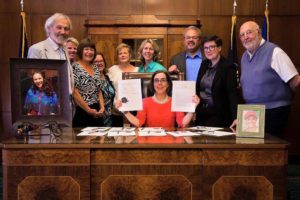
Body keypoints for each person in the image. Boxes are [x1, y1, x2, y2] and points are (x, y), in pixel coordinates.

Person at [231, 21, 300, 137]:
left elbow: (295, 80)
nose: (245, 37)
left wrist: (285, 99)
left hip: (274, 112)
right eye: (242, 35)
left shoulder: (275, 52)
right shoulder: (244, 57)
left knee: (270, 151)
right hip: (252, 111)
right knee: (252, 151)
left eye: (249, 33)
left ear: (258, 33)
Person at [116, 70, 200, 128]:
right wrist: (125, 111)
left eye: (163, 80)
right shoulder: (145, 102)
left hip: (170, 143)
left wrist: (192, 109)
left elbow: (182, 124)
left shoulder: (175, 101)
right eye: (156, 80)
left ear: (168, 84)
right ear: (152, 84)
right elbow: (138, 123)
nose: (159, 83)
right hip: (149, 143)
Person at [195, 35, 239, 127]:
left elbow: (232, 94)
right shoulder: (204, 64)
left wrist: (236, 117)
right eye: (206, 48)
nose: (208, 50)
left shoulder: (228, 67)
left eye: (212, 47)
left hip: (218, 115)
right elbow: (198, 88)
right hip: (201, 113)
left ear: (219, 48)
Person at [27, 13, 74, 94]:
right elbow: (33, 81)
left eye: (66, 29)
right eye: (59, 27)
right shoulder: (37, 49)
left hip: (67, 102)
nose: (63, 32)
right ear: (49, 29)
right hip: (48, 102)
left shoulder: (65, 49)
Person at [72, 38, 105, 127]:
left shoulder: (95, 68)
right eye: (86, 49)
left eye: (92, 50)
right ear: (81, 51)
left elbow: (99, 90)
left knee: (100, 139)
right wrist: (88, 110)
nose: (89, 52)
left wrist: (102, 107)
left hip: (97, 112)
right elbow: (74, 92)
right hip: (82, 111)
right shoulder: (74, 67)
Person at [108, 43, 138, 127]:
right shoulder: (112, 70)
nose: (122, 55)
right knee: (118, 138)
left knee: (132, 137)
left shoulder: (137, 70)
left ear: (130, 55)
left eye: (125, 53)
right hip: (117, 110)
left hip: (133, 110)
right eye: (120, 53)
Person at [94, 52, 115, 127]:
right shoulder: (91, 79)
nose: (99, 63)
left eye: (101, 61)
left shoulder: (107, 78)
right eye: (96, 61)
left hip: (111, 118)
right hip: (98, 118)